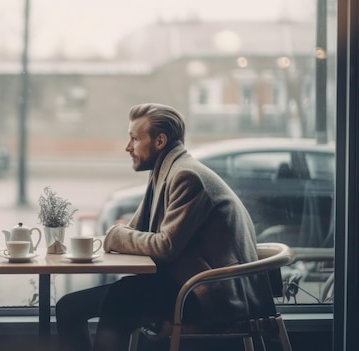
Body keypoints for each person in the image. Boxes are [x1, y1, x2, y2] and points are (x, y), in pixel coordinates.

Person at [56, 103, 275, 351]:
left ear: (160, 141)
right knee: (70, 306)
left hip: (209, 294)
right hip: (186, 283)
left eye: (135, 138)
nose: (128, 147)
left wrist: (115, 236)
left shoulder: (186, 176)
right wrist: (114, 237)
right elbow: (135, 230)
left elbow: (164, 246)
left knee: (121, 298)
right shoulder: (165, 172)